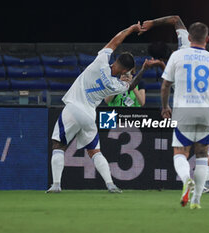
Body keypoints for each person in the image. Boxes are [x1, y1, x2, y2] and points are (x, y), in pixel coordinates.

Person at [47, 22, 160, 193]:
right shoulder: (117, 86)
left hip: (73, 108)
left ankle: (56, 185)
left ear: (116, 61)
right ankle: (110, 184)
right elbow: (131, 87)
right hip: (89, 116)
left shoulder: (100, 61)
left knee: (58, 145)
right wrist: (143, 69)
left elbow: (115, 42)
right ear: (126, 71)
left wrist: (130, 30)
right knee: (95, 151)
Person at [142, 16, 209, 195]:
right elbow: (176, 19)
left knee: (186, 151)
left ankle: (199, 182)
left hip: (190, 103)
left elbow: (168, 84)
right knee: (206, 143)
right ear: (205, 39)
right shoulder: (203, 54)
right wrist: (153, 23)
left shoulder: (178, 58)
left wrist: (165, 106)